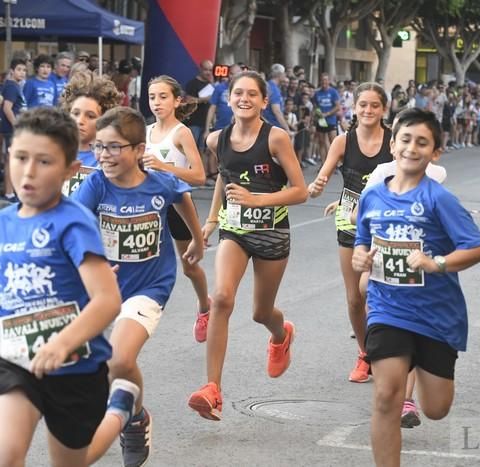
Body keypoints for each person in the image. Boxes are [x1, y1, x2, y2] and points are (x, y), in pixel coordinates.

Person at [352, 108, 480, 466]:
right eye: (406, 139)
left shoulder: (438, 198)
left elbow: (478, 248)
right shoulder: (372, 196)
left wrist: (437, 263)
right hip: (387, 309)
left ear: (435, 152)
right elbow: (362, 241)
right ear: (393, 145)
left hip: (436, 315)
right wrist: (360, 257)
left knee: (437, 408)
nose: (412, 148)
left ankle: (428, 379)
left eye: (422, 142)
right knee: (386, 396)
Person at [73, 107, 204, 467]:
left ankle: (131, 426)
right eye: (99, 147)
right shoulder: (96, 183)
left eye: (114, 147)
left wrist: (196, 239)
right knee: (100, 367)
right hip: (104, 288)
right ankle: (137, 415)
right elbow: (75, 222)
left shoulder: (159, 181)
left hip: (150, 285)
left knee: (120, 359)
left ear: (137, 149)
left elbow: (183, 197)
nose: (103, 156)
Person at [0, 107, 122, 467]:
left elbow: (107, 300)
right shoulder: (4, 223)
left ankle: (120, 410)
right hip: (16, 361)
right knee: (6, 455)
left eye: (44, 162)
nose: (29, 172)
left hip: (76, 369)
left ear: (70, 170)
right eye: (20, 158)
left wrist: (62, 342)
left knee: (72, 462)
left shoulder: (73, 222)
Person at [187, 71, 307, 421]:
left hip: (272, 234)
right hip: (234, 231)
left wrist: (258, 200)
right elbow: (225, 177)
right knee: (222, 298)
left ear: (264, 102)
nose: (244, 99)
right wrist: (210, 221)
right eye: (238, 93)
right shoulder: (215, 140)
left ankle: (280, 332)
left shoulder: (276, 139)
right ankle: (212, 389)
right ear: (229, 98)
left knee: (260, 312)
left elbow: (300, 191)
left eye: (252, 94)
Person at [308, 82, 393, 383]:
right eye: (363, 105)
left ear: (384, 109)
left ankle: (388, 349)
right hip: (350, 221)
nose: (368, 110)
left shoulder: (394, 142)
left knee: (372, 290)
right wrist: (318, 186)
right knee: (354, 297)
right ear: (354, 108)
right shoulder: (343, 142)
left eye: (374, 105)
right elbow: (325, 173)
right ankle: (365, 352)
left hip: (386, 223)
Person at [144, 75, 210, 343]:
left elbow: (199, 176)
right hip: (150, 206)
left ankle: (205, 306)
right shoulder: (145, 131)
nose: (157, 102)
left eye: (163, 97)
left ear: (177, 100)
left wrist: (163, 167)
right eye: (152, 97)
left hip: (179, 206)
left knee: (189, 266)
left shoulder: (181, 133)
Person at [59, 71, 122, 197]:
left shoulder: (111, 158)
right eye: (75, 113)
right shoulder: (55, 152)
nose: (80, 121)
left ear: (104, 119)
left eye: (90, 116)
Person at [1, 58, 27, 202]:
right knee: (11, 160)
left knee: (10, 159)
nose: (22, 73)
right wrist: (16, 124)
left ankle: (11, 191)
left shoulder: (15, 85)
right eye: (19, 69)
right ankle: (9, 193)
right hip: (11, 130)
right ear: (12, 71)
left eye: (24, 70)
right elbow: (7, 108)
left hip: (12, 130)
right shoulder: (11, 86)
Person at [185, 60, 215, 150]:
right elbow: (188, 100)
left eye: (210, 70)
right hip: (194, 122)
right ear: (200, 69)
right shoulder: (192, 83)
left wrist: (212, 83)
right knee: (192, 150)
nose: (208, 72)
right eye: (206, 70)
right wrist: (204, 99)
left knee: (203, 150)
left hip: (207, 123)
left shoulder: (211, 84)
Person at [314, 73, 341, 164]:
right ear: (320, 81)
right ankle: (323, 164)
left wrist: (327, 113)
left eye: (326, 80)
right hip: (321, 120)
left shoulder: (333, 92)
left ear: (329, 81)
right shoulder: (317, 93)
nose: (324, 82)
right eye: (322, 80)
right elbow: (316, 106)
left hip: (331, 120)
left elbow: (338, 107)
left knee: (333, 143)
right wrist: (318, 113)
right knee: (321, 142)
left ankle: (333, 163)